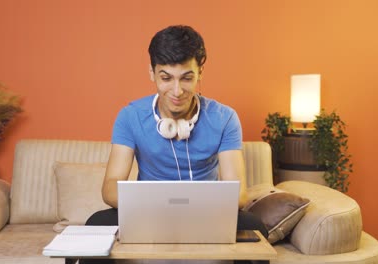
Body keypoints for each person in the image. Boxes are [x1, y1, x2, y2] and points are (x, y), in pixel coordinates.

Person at [80, 25, 267, 264]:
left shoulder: (225, 117)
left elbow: (239, 195)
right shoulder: (130, 116)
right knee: (96, 224)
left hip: (206, 215)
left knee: (256, 227)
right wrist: (153, 203)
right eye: (166, 78)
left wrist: (193, 206)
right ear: (152, 73)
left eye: (187, 78)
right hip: (146, 214)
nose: (177, 91)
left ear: (200, 71)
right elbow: (109, 188)